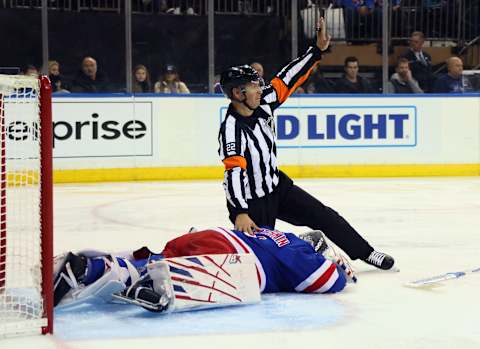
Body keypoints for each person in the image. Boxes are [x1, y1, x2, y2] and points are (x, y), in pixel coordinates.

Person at [218, 18, 394, 271]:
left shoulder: (264, 101)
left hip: (277, 187)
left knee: (324, 215)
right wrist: (240, 212)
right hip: (252, 202)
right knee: (261, 262)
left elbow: (287, 78)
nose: (260, 89)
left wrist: (317, 50)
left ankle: (366, 252)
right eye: (254, 86)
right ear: (237, 93)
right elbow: (233, 174)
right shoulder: (231, 130)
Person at [53, 227, 355, 312]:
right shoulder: (300, 252)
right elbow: (328, 281)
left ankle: (88, 266)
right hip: (229, 254)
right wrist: (338, 268)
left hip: (208, 235)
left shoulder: (274, 234)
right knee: (162, 277)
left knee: (157, 258)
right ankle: (144, 280)